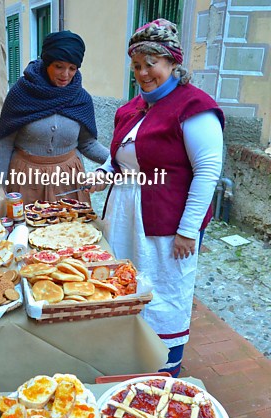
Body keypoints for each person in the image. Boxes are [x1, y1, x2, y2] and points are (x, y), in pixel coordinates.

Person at [88, 19, 224, 377]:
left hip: (166, 222)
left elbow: (207, 172)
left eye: (152, 63)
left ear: (173, 62)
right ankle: (125, 358)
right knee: (122, 284)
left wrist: (188, 230)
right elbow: (119, 156)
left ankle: (163, 371)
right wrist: (102, 175)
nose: (144, 72)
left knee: (164, 291)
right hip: (124, 214)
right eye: (137, 64)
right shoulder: (132, 108)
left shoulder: (194, 107)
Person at [0, 30, 108, 205]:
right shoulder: (21, 93)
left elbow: (88, 143)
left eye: (72, 68)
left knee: (72, 230)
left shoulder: (81, 98)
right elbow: (5, 145)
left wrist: (118, 160)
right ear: (47, 63)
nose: (65, 75)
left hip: (69, 179)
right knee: (25, 230)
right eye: (59, 66)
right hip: (25, 179)